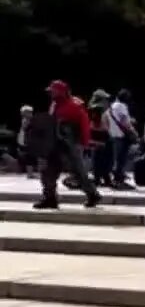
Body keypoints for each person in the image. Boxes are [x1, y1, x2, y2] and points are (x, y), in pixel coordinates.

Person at [36, 80, 101, 210]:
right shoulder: (54, 105)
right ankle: (50, 198)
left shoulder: (74, 105)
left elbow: (84, 124)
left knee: (78, 173)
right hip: (54, 144)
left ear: (60, 91)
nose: (50, 93)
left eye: (53, 91)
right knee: (48, 171)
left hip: (70, 144)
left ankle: (93, 194)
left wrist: (84, 142)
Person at [16, 105, 36, 178]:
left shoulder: (28, 120)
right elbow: (25, 129)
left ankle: (29, 173)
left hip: (27, 140)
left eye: (31, 112)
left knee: (30, 156)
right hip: (26, 140)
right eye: (28, 112)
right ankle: (29, 174)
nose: (31, 113)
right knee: (29, 156)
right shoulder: (26, 120)